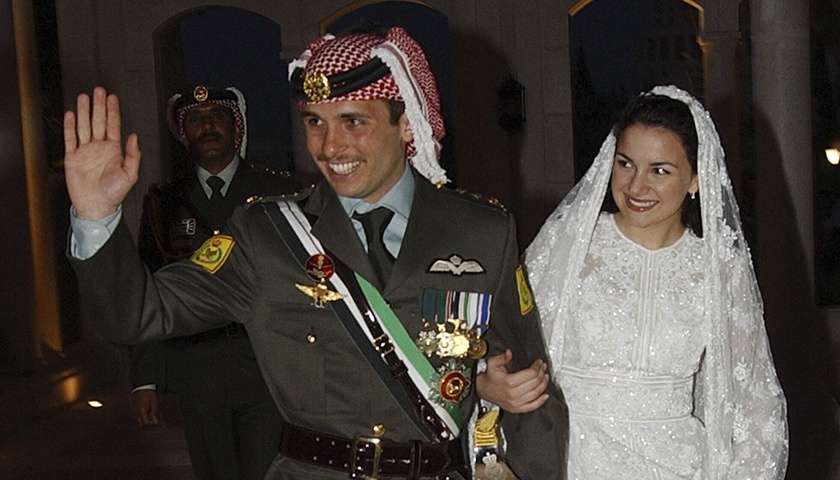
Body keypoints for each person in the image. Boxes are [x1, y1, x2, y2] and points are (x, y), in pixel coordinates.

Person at [62, 26, 568, 479]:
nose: (329, 146)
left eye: (353, 121)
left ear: (406, 125)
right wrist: (95, 216)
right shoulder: (268, 236)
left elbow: (532, 391)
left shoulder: (481, 231)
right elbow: (136, 314)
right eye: (314, 122)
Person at [478, 86, 789, 479]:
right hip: (566, 460)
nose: (636, 187)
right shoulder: (569, 244)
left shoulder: (718, 272)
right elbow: (498, 342)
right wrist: (488, 386)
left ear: (695, 179)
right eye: (625, 164)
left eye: (660, 170)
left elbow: (756, 404)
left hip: (678, 467)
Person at [129, 85, 294, 480]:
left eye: (217, 117)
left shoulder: (278, 193)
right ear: (182, 133)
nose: (207, 127)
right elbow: (147, 290)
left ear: (236, 128)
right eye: (195, 120)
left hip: (265, 365)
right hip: (196, 368)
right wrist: (145, 379)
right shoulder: (163, 203)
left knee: (267, 472)